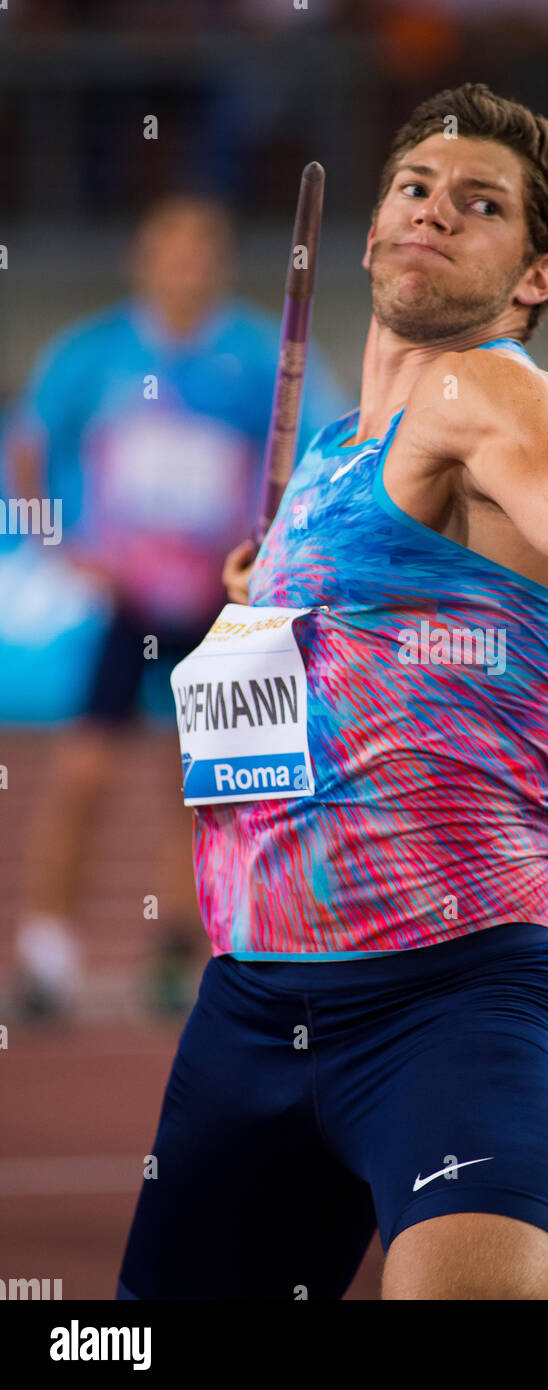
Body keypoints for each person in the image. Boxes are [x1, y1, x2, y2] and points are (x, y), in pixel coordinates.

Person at [118, 84, 548, 1301]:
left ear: (535, 277)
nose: (435, 214)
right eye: (417, 191)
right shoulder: (336, 457)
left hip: (450, 1006)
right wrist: (263, 597)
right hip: (251, 1010)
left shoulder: (483, 393)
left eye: (479, 206)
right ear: (371, 233)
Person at [8, 194, 350, 1019]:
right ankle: (46, 949)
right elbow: (28, 442)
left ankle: (173, 950)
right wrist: (59, 546)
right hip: (128, 603)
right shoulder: (94, 354)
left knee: (198, 784)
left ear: (220, 264)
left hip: (217, 597)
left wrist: (274, 556)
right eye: (171, 251)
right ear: (145, 260)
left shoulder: (259, 354)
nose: (186, 268)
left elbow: (331, 445)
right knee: (83, 773)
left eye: (202, 253)